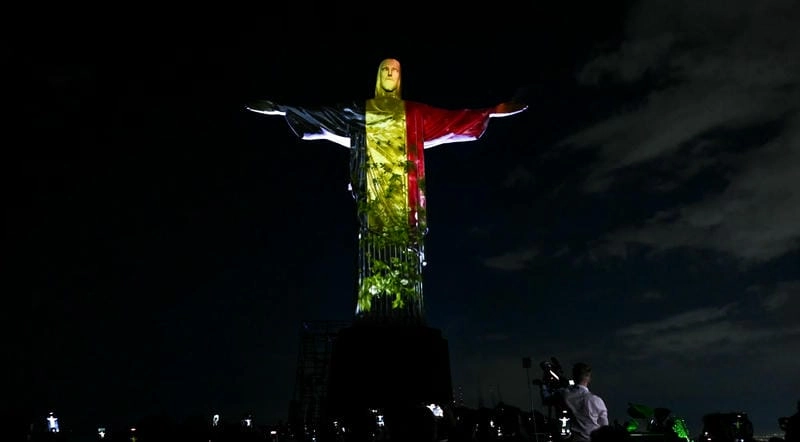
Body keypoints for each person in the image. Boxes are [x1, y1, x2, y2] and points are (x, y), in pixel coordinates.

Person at [246, 58, 526, 324]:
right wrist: (284, 110)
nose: (390, 74)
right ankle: (373, 311)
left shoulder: (413, 112)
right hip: (374, 190)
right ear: (378, 76)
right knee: (374, 246)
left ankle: (406, 312)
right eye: (385, 70)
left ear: (401, 77)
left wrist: (489, 112)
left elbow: (451, 120)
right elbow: (324, 116)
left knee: (404, 248)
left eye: (395, 70)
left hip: (405, 193)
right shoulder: (362, 111)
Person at [560, 362, 609, 442]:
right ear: (589, 378)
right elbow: (605, 426)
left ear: (574, 377)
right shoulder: (596, 400)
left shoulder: (565, 395)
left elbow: (547, 399)